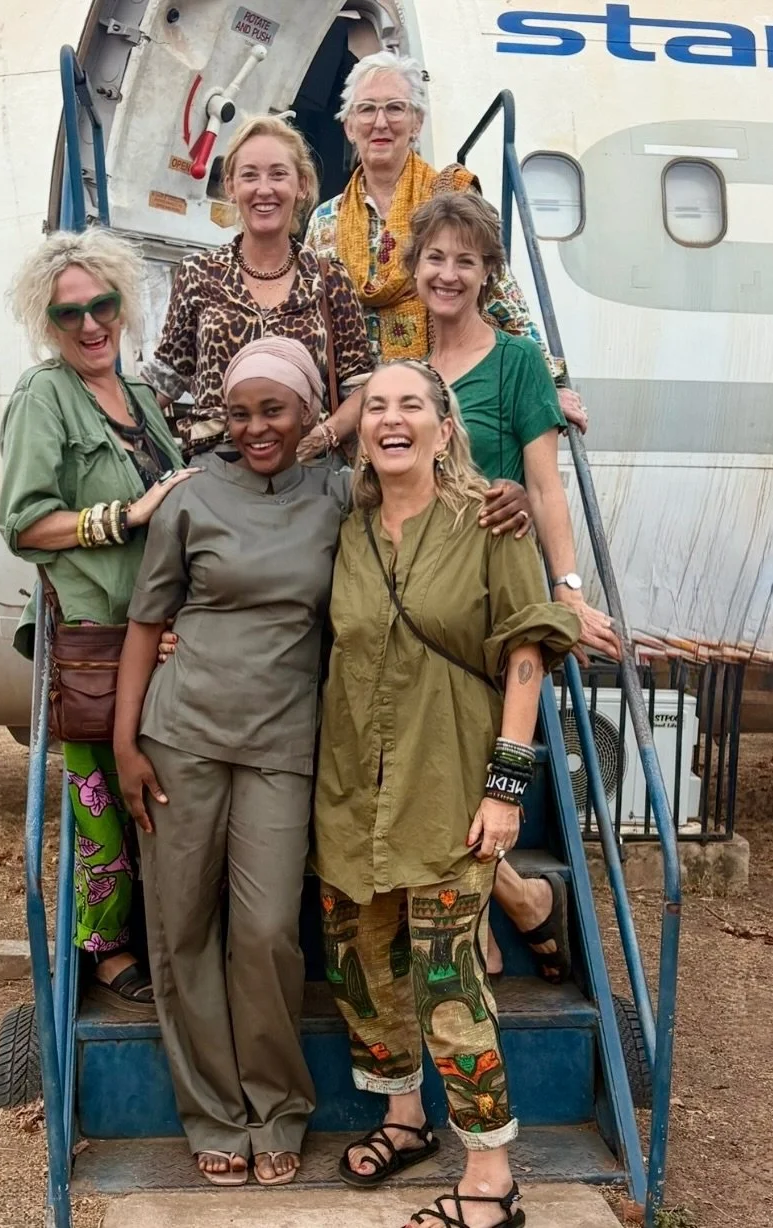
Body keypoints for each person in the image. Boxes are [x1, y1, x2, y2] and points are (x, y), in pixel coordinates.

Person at [313, 360, 580, 1228]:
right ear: (359, 430)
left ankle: (491, 1179)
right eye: (375, 407)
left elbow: (527, 652)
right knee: (361, 967)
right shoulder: (344, 528)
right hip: (350, 789)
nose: (391, 419)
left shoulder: (491, 522)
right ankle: (404, 1119)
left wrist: (505, 788)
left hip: (451, 782)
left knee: (447, 981)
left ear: (443, 426)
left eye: (410, 405)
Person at [113, 338, 350, 1188]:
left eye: (273, 409)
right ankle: (214, 1113)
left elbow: (426, 499)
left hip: (283, 743)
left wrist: (508, 494)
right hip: (181, 736)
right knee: (182, 928)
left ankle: (277, 1108)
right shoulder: (191, 496)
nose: (255, 427)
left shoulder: (338, 495)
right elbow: (147, 621)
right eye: (240, 412)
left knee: (267, 932)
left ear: (308, 411)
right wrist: (125, 743)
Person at [406, 190, 621, 979]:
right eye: (435, 257)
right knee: (420, 768)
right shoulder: (407, 373)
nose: (448, 273)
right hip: (420, 595)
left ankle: (488, 919)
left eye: (465, 261)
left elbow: (544, 484)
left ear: (487, 273)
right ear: (414, 268)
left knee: (463, 767)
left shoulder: (518, 363)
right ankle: (517, 900)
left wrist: (567, 588)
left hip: (491, 591)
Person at [0, 228, 193, 1014]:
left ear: (122, 304)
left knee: (151, 793)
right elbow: (23, 523)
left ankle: (156, 933)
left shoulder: (140, 397)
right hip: (95, 633)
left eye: (101, 305)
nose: (89, 324)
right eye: (68, 313)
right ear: (47, 324)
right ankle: (105, 949)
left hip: (159, 630)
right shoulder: (43, 395)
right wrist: (121, 517)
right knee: (99, 804)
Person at [304, 49, 589, 461]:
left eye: (395, 108)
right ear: (349, 126)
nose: (380, 122)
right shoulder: (324, 221)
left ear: (417, 122)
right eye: (366, 110)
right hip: (361, 422)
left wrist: (552, 384)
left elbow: (502, 295)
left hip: (443, 409)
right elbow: (315, 324)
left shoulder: (450, 197)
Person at [138, 114, 372, 460]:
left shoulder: (329, 279)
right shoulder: (199, 274)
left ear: (302, 185)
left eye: (278, 174)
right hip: (218, 468)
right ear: (231, 186)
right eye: (250, 175)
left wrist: (323, 436)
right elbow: (165, 378)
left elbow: (360, 386)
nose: (264, 189)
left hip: (305, 468)